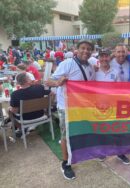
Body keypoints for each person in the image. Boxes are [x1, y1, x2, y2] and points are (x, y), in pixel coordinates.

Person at [45, 40, 96, 180]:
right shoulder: (67, 64)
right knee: (65, 135)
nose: (86, 51)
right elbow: (47, 81)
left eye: (88, 49)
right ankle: (66, 163)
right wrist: (57, 83)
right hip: (66, 107)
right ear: (77, 49)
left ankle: (80, 154)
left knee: (80, 132)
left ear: (91, 52)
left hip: (82, 107)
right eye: (83, 48)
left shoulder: (91, 67)